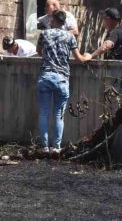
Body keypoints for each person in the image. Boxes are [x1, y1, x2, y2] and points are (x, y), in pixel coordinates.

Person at [36, 10, 91, 154]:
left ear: (53, 20)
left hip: (46, 76)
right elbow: (79, 59)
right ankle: (56, 147)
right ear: (64, 22)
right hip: (61, 78)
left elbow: (38, 50)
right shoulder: (69, 37)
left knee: (44, 113)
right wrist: (88, 56)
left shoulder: (44, 34)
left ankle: (44, 147)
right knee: (58, 114)